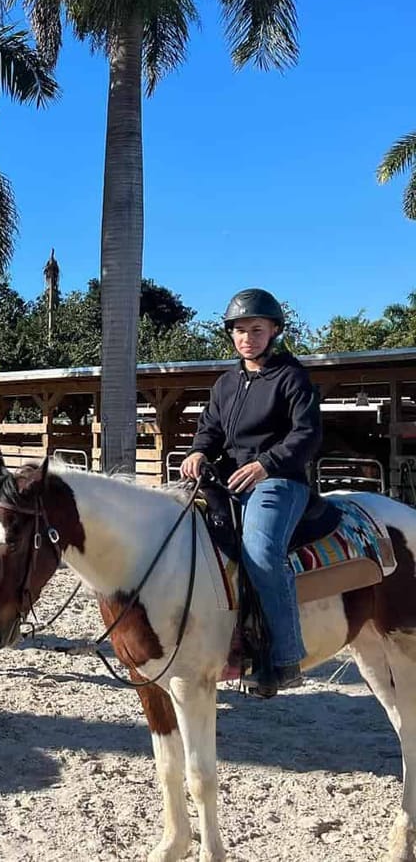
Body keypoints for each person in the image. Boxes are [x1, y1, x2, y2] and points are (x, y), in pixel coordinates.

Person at [180, 288, 321, 697]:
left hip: (279, 480)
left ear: (274, 331)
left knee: (260, 551)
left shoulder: (292, 377)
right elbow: (210, 430)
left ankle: (285, 657)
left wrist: (265, 465)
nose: (247, 338)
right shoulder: (225, 384)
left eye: (256, 330)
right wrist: (197, 452)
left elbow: (307, 434)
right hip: (228, 479)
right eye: (240, 330)